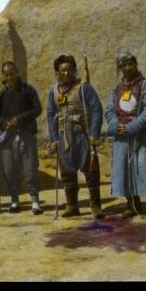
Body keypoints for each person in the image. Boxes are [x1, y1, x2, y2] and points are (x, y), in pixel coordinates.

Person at [104, 50, 146, 222]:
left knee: (143, 169)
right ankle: (132, 204)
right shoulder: (117, 89)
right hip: (121, 137)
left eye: (131, 64)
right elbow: (109, 110)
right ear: (120, 68)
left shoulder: (145, 85)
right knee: (124, 170)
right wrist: (116, 126)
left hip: (138, 136)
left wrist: (133, 127)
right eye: (124, 65)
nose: (128, 68)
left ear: (135, 64)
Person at [47, 54, 104, 219]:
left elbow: (96, 109)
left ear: (74, 70)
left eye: (69, 69)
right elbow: (51, 114)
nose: (66, 73)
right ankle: (72, 205)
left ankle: (95, 206)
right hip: (64, 137)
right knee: (67, 172)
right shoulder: (54, 91)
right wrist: (54, 138)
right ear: (57, 72)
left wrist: (94, 133)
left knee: (91, 171)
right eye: (62, 70)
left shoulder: (84, 87)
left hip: (82, 135)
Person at [0, 61, 43, 215]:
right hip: (8, 138)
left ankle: (35, 201)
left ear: (17, 72)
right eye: (6, 74)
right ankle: (15, 201)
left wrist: (19, 119)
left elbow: (37, 109)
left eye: (12, 73)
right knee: (10, 170)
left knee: (31, 170)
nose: (10, 77)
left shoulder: (28, 90)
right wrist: (3, 123)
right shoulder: (1, 94)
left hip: (26, 135)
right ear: (4, 76)